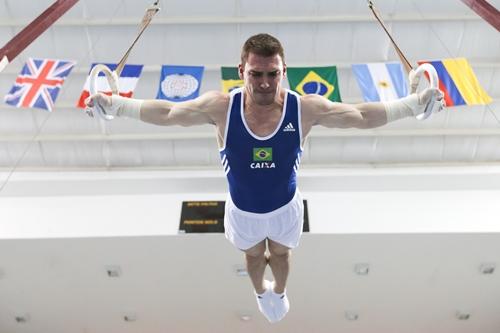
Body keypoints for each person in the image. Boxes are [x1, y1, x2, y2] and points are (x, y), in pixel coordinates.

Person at [86, 33, 444, 323]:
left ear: (284, 69)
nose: (264, 82)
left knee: (282, 256)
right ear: (241, 70)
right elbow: (168, 112)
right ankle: (261, 293)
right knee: (255, 258)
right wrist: (116, 103)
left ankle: (280, 292)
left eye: (272, 73)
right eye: (256, 74)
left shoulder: (304, 108)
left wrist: (413, 105)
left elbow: (360, 115)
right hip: (242, 213)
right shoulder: (221, 107)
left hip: (286, 207)